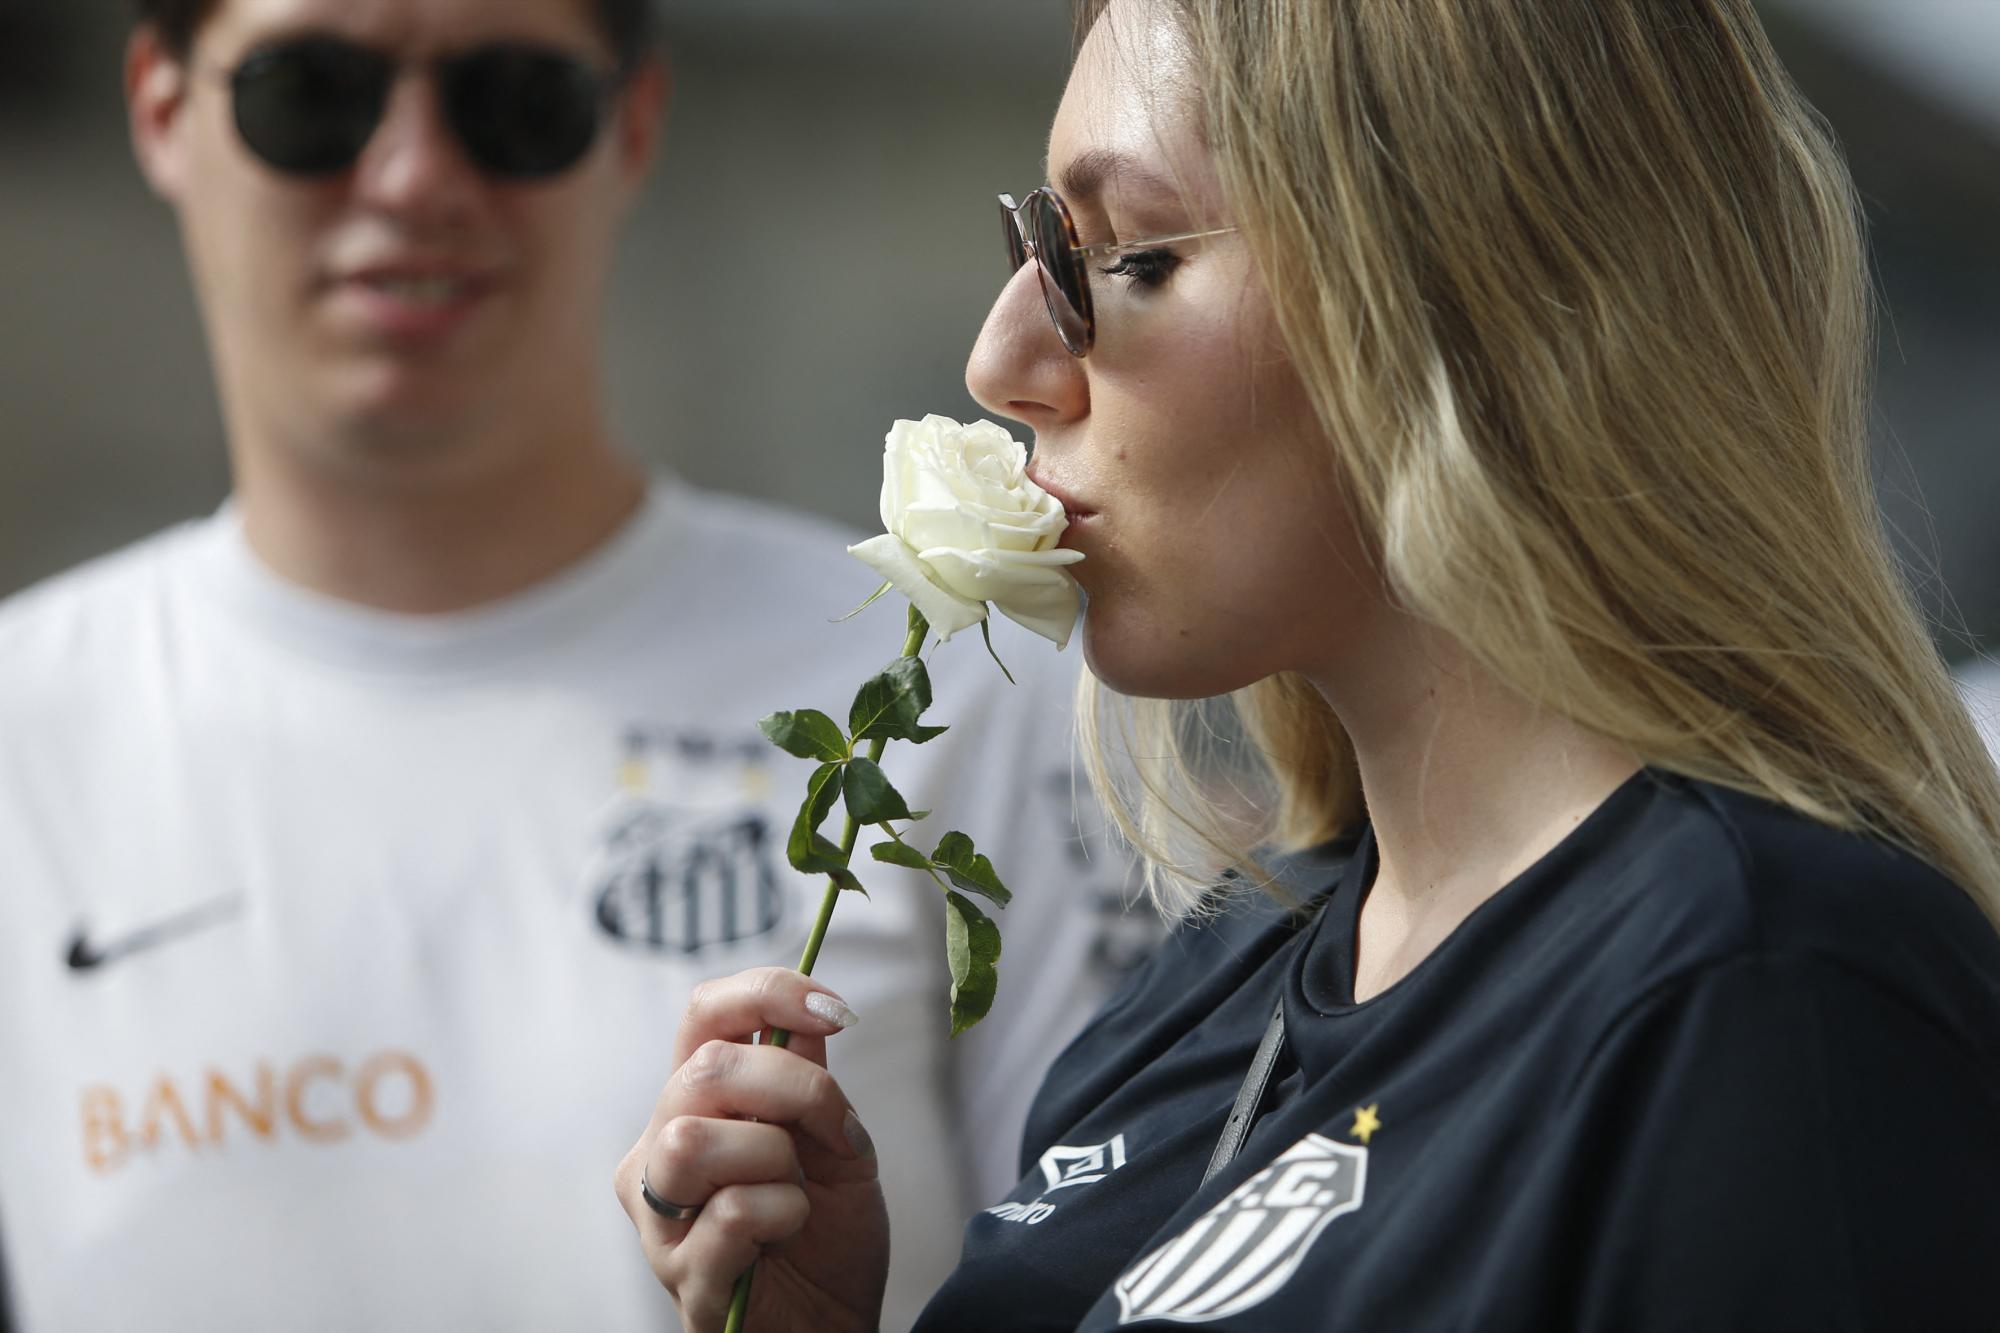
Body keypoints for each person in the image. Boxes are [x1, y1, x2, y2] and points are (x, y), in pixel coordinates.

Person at [616, 0, 2000, 1328]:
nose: (1003, 357)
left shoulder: (1768, 992)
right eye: (1040, 245)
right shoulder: (1218, 969)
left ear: (1464, 282)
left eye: (1128, 257)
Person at [0, 1, 1137, 1329]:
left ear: (633, 125)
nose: (415, 176)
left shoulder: (963, 697)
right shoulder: (28, 733)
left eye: (513, 100)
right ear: (157, 107)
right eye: (308, 92)